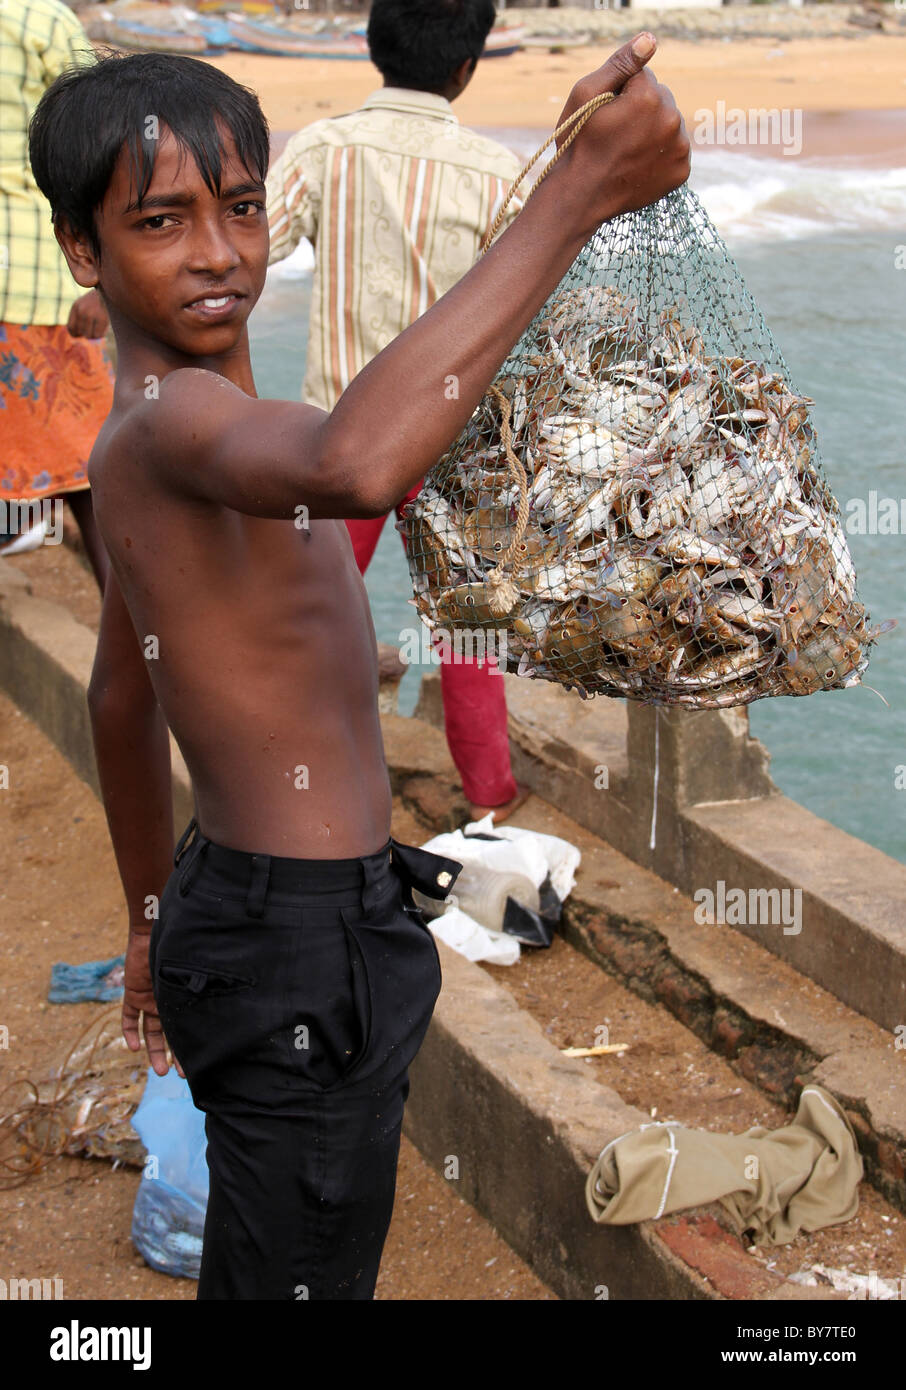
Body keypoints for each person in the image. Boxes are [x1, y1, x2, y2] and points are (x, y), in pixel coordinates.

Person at [29, 37, 689, 1299]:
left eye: (240, 209)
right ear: (82, 250)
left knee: (280, 1247)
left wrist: (149, 916)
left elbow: (124, 693)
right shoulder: (179, 424)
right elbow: (355, 466)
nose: (219, 253)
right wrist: (575, 198)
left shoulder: (157, 428)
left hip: (251, 911)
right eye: (161, 222)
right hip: (295, 940)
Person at [266, 0, 529, 823]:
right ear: (467, 66)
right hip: (451, 444)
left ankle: (297, 790)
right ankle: (488, 802)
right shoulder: (497, 173)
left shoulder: (322, 149)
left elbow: (250, 254)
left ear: (372, 47)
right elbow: (527, 310)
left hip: (339, 437)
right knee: (470, 639)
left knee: (305, 619)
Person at [0, 0, 111, 584]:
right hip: (36, 280)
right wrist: (106, 283)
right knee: (89, 469)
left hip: (33, 280)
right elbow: (98, 141)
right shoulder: (39, 18)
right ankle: (145, 646)